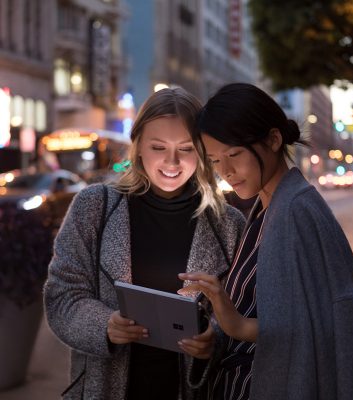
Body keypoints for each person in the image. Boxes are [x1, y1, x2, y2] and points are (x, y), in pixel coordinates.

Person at [178, 83, 353, 400]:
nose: (226, 171)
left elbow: (319, 326)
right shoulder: (268, 206)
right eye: (215, 161)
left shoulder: (295, 210)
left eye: (234, 154)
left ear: (273, 140)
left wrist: (237, 326)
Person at [44, 87, 245, 400]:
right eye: (157, 147)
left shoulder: (228, 224)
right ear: (137, 147)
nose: (172, 161)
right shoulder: (95, 207)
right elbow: (62, 296)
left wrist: (214, 339)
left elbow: (246, 313)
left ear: (204, 151)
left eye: (187, 148)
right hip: (107, 386)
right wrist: (104, 325)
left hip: (194, 389)